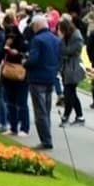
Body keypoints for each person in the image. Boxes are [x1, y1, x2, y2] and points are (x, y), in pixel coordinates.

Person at [24, 14, 62, 150]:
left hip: (37, 78)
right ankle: (47, 136)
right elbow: (59, 59)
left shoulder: (37, 40)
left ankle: (46, 140)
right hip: (50, 78)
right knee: (46, 109)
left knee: (40, 111)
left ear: (36, 25)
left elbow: (33, 60)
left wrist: (25, 63)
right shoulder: (56, 39)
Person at [0, 13, 31, 137]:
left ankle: (24, 127)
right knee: (10, 101)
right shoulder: (6, 40)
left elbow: (26, 54)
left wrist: (16, 53)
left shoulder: (23, 42)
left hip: (20, 73)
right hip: (8, 72)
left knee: (21, 102)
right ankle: (13, 126)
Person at [58, 16, 86, 126]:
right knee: (70, 92)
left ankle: (68, 115)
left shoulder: (76, 37)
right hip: (68, 66)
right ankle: (77, 116)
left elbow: (68, 51)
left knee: (69, 92)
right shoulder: (69, 37)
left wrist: (61, 41)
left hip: (73, 67)